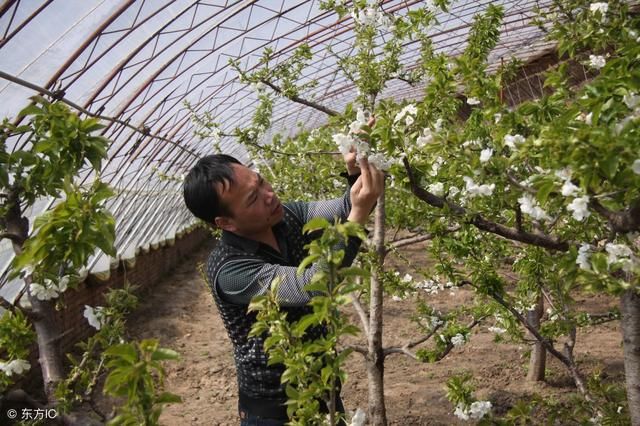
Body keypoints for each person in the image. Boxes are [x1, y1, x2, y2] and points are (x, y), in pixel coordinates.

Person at [182, 149, 384, 425]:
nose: (269, 195)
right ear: (225, 223)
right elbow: (313, 285)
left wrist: (357, 173)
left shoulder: (287, 215)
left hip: (322, 383)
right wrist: (359, 212)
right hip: (275, 408)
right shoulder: (230, 270)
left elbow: (345, 210)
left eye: (261, 181)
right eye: (253, 198)